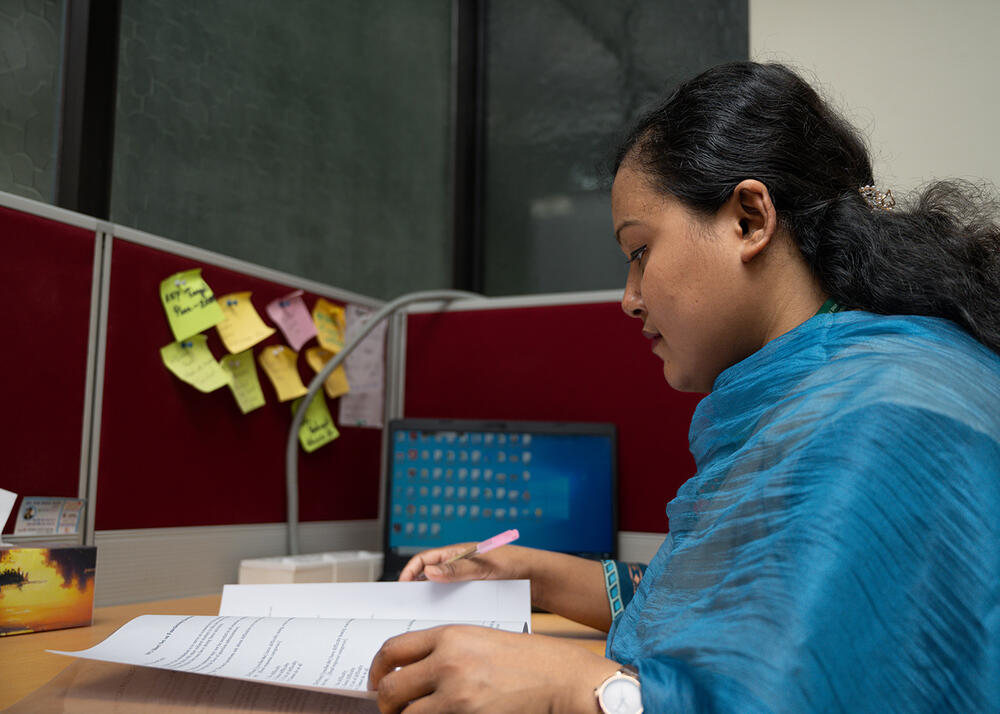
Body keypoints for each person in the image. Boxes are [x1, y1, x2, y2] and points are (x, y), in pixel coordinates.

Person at [367, 62, 1000, 713]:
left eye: (640, 250)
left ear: (750, 219)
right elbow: (733, 604)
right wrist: (533, 573)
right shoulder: (837, 380)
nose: (629, 299)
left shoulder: (880, 416)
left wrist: (578, 690)